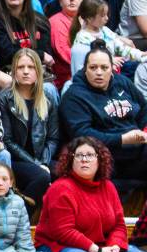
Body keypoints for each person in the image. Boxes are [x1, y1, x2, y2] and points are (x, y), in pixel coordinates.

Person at [59, 43, 147, 182]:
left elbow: (143, 108)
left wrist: (144, 131)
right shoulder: (73, 96)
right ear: (85, 69)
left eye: (104, 68)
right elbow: (82, 135)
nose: (99, 72)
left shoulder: (122, 82)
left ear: (112, 68)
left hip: (138, 146)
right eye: (93, 67)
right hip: (104, 154)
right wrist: (122, 139)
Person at [0, 48, 59, 205]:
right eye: (20, 67)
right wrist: (37, 165)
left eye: (30, 67)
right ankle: (18, 218)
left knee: (69, 173)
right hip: (16, 160)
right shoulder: (4, 98)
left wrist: (43, 162)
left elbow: (53, 138)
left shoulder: (48, 99)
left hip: (41, 158)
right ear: (13, 71)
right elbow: (8, 141)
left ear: (38, 71)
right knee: (42, 176)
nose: (25, 72)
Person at [69, 0, 145, 79]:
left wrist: (141, 54)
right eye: (102, 15)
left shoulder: (105, 31)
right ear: (90, 18)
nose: (107, 18)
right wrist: (110, 61)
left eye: (106, 14)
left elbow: (122, 49)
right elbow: (84, 68)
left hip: (115, 71)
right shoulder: (82, 41)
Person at [0, 0, 50, 72]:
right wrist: (40, 55)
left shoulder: (40, 21)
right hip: (10, 74)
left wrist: (42, 55)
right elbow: (8, 55)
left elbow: (47, 54)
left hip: (38, 73)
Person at [49, 0, 85, 87]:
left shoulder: (89, 19)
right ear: (60, 2)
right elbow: (64, 52)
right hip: (69, 80)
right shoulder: (55, 21)